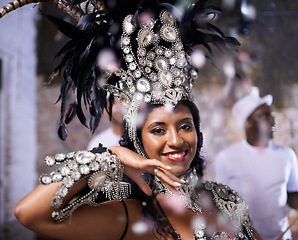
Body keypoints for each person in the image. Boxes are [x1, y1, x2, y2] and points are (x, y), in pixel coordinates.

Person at [2, 0, 262, 239]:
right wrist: (111, 156)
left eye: (185, 126)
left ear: (198, 131)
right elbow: (29, 214)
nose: (176, 140)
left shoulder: (225, 198)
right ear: (138, 141)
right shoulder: (135, 215)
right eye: (158, 130)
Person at [214, 86, 298, 240]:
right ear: (248, 123)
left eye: (272, 115)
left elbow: (292, 196)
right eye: (264, 116)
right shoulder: (226, 158)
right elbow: (223, 208)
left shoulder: (287, 155)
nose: (273, 120)